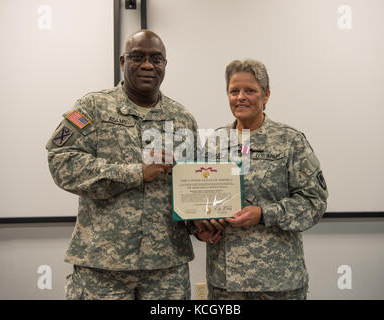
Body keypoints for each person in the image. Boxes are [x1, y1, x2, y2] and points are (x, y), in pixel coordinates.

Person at [45, 30, 199, 300]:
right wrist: (136, 172)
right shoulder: (92, 108)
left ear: (165, 65)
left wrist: (202, 224)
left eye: (157, 59)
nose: (148, 65)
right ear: (122, 61)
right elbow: (61, 161)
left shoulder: (182, 118)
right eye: (138, 57)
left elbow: (191, 183)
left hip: (167, 267)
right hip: (103, 267)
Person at [195, 59, 328, 300]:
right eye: (234, 91)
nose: (241, 97)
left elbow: (314, 203)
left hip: (278, 282)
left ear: (266, 96)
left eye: (250, 90)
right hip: (225, 283)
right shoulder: (215, 142)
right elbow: (198, 201)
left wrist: (265, 213)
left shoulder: (290, 141)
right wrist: (200, 229)